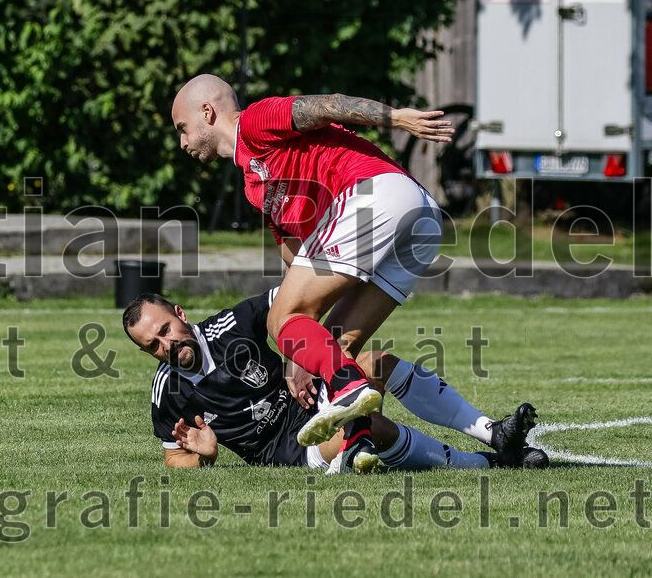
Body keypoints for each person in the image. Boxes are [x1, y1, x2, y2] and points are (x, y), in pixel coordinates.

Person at [171, 74, 456, 470]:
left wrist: (396, 118)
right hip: (420, 218)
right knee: (332, 348)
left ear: (207, 111)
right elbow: (297, 262)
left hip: (377, 194)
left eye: (182, 129)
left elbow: (327, 105)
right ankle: (368, 440)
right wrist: (298, 350)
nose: (182, 143)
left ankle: (352, 387)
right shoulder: (255, 183)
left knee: (280, 319)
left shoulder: (254, 123)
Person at [122, 290, 547, 472]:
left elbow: (294, 299)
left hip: (314, 398)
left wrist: (295, 352)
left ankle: (493, 433)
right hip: (290, 449)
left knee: (376, 363)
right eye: (151, 345)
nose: (165, 344)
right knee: (368, 428)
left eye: (164, 329)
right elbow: (173, 457)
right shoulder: (168, 392)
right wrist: (205, 455)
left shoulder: (232, 324)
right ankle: (490, 464)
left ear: (180, 313)